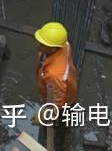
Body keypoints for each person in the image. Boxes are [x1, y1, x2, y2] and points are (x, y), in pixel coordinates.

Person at [34, 21, 78, 149]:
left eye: (42, 44)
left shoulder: (55, 75)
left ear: (53, 48)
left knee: (58, 125)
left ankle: (58, 144)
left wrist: (43, 114)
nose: (38, 44)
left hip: (64, 102)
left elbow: (57, 103)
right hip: (66, 86)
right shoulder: (64, 44)